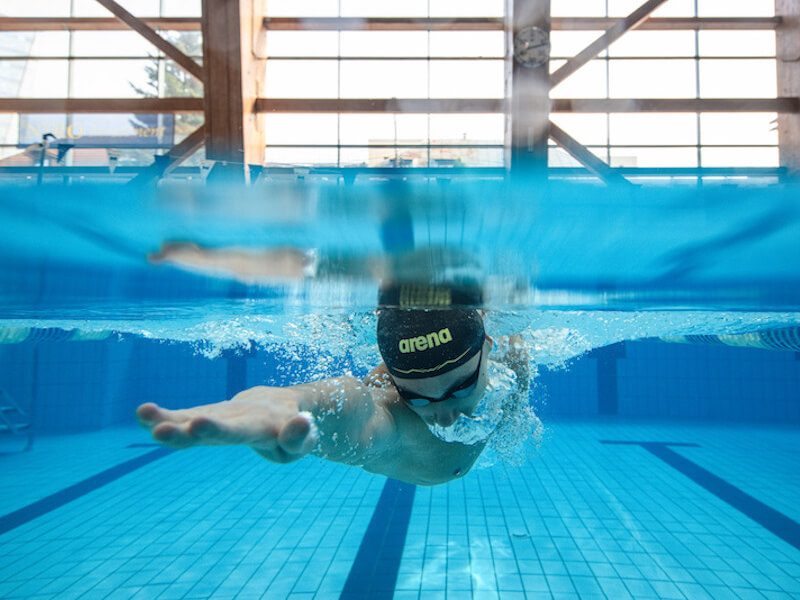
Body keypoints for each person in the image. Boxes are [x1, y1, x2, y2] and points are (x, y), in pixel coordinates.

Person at [137, 288, 534, 486]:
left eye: (461, 388)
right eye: (417, 398)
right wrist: (290, 402)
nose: (444, 416)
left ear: (488, 345)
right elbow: (362, 415)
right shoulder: (399, 416)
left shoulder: (512, 349)